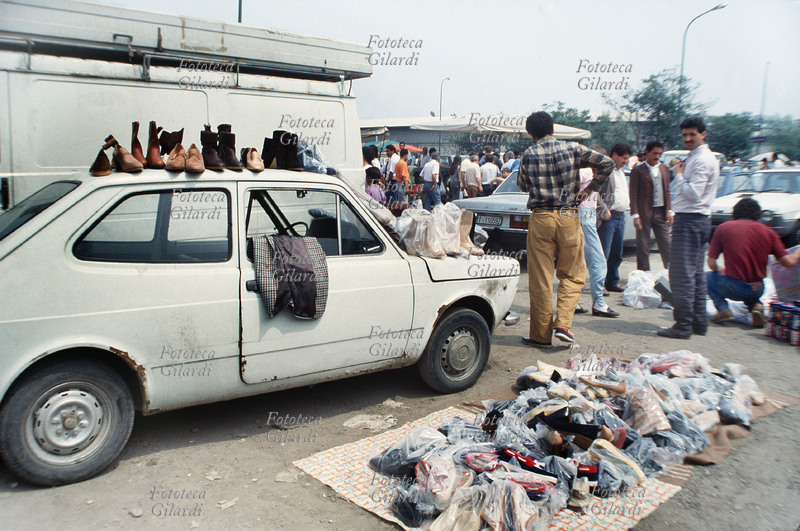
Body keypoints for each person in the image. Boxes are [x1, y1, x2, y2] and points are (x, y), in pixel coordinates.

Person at [517, 111, 614, 346]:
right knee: (572, 274)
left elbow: (522, 185)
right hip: (568, 215)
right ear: (553, 128)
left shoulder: (529, 154)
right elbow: (607, 164)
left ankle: (539, 336)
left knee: (541, 278)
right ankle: (563, 325)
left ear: (531, 134)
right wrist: (589, 190)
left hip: (540, 218)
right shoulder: (573, 148)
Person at [658, 116, 720, 339]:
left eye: (692, 134)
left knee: (682, 275)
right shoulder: (700, 157)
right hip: (698, 219)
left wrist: (679, 175)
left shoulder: (702, 159)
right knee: (696, 275)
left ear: (703, 134)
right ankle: (698, 322)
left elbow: (695, 194)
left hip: (691, 219)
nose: (687, 139)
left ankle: (683, 325)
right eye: (684, 135)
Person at [707, 198, 800, 327]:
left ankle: (723, 310)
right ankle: (757, 307)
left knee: (706, 277)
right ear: (758, 215)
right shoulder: (769, 232)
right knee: (750, 292)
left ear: (735, 213)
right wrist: (798, 252)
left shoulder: (724, 228)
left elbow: (711, 263)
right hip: (758, 288)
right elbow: (788, 262)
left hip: (733, 287)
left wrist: (718, 269)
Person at [578, 145, 618, 318]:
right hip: (585, 219)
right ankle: (599, 303)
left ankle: (574, 302)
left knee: (576, 264)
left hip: (581, 218)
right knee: (598, 262)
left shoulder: (582, 173)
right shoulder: (586, 173)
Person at [629, 140, 674, 271]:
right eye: (654, 153)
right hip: (644, 212)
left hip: (660, 211)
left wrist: (670, 210)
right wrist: (636, 215)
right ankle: (643, 275)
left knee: (667, 244)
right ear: (647, 153)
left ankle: (671, 272)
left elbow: (667, 191)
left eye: (660, 154)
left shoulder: (664, 168)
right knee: (643, 246)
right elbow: (633, 193)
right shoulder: (638, 170)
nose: (657, 156)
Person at [596, 142, 633, 292]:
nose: (626, 162)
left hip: (621, 217)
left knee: (617, 253)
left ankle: (612, 282)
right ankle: (601, 284)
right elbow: (596, 192)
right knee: (604, 252)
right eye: (624, 158)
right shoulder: (607, 171)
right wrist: (604, 209)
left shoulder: (622, 172)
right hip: (608, 217)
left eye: (627, 159)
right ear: (615, 155)